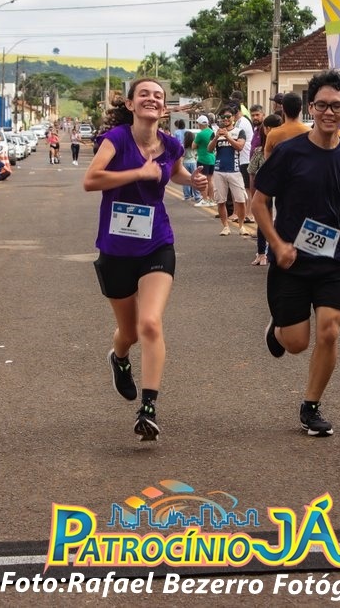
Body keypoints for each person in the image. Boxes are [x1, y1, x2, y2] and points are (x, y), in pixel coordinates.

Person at [83, 78, 206, 442]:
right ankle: (119, 357)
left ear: (164, 108)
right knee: (131, 333)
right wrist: (139, 172)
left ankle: (148, 409)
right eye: (144, 94)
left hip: (157, 243)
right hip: (116, 249)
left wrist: (194, 181)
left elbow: (175, 172)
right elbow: (91, 180)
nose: (152, 99)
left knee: (150, 323)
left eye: (158, 95)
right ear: (132, 104)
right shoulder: (117, 139)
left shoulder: (170, 145)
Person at [252, 69, 340, 437]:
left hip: (334, 260)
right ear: (311, 108)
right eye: (321, 105)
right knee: (296, 343)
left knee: (330, 330)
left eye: (336, 106)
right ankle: (278, 331)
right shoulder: (289, 153)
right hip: (291, 260)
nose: (328, 112)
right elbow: (258, 202)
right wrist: (277, 245)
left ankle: (311, 406)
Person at [207, 105, 252, 238]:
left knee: (240, 200)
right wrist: (216, 137)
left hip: (235, 170)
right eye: (223, 117)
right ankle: (225, 226)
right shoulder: (215, 132)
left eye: (228, 116)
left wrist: (228, 137)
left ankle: (241, 225)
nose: (225, 119)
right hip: (219, 170)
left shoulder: (239, 131)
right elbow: (209, 149)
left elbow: (239, 147)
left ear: (233, 117)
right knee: (221, 201)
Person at [247, 112, 282, 266]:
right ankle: (262, 253)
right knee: (264, 221)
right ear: (266, 130)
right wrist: (254, 193)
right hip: (265, 193)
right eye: (270, 129)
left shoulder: (287, 150)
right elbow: (252, 172)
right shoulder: (259, 151)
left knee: (278, 222)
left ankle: (274, 252)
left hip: (281, 193)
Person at [262, 92, 310, 157]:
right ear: (300, 109)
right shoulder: (309, 132)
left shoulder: (273, 134)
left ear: (283, 109)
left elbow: (268, 160)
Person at [192, 115, 217, 207]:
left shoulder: (200, 134)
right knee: (210, 180)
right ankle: (212, 200)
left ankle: (205, 199)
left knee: (203, 180)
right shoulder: (212, 132)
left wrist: (199, 145)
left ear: (200, 124)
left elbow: (193, 146)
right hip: (212, 158)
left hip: (203, 159)